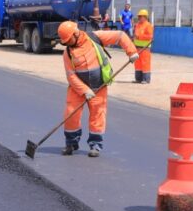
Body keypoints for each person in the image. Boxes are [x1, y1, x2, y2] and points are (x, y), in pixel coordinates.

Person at [56, 20, 138, 157]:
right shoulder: (68, 53)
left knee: (97, 114)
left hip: (98, 85)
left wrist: (131, 52)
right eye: (65, 42)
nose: (67, 44)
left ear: (76, 34)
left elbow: (120, 36)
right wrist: (84, 90)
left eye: (68, 41)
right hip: (78, 89)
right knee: (71, 114)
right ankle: (71, 143)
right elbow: (70, 76)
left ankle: (95, 145)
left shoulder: (95, 37)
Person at [133, 9, 154, 84]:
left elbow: (150, 36)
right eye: (139, 16)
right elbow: (135, 34)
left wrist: (139, 36)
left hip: (145, 48)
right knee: (137, 64)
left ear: (145, 17)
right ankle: (138, 78)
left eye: (141, 16)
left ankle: (146, 79)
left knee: (145, 64)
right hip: (137, 47)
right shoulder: (137, 25)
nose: (139, 18)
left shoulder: (148, 25)